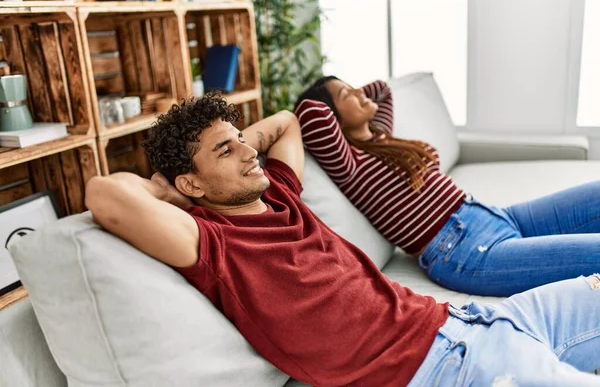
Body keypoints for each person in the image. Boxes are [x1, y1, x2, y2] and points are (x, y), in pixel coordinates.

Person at [85, 92, 600, 387]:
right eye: (226, 150)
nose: (247, 152)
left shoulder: (282, 194)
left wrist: (234, 147)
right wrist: (168, 193)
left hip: (480, 321)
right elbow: (105, 196)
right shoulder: (214, 240)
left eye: (242, 139)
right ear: (192, 185)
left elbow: (286, 123)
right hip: (454, 367)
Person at [295, 76, 600, 297]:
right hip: (464, 253)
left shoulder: (380, 137)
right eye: (347, 94)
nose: (361, 92)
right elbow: (309, 113)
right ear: (334, 116)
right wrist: (333, 95)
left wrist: (351, 95)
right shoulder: (349, 162)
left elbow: (384, 91)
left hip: (494, 216)